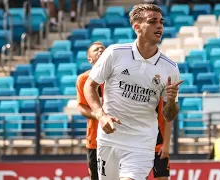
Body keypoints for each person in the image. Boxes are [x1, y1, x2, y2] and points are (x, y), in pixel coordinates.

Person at [84, 3, 183, 180]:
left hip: (142, 142)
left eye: (161, 22)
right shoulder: (115, 53)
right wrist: (101, 115)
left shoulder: (170, 68)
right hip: (109, 138)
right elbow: (89, 86)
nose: (159, 25)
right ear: (136, 27)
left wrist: (172, 100)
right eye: (153, 21)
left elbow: (169, 115)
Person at [76, 41, 106, 180]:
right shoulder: (83, 79)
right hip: (95, 140)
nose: (100, 50)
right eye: (96, 50)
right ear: (89, 59)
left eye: (103, 49)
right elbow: (82, 106)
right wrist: (100, 116)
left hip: (119, 138)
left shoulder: (117, 77)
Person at [153, 98, 171, 180]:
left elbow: (168, 118)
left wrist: (166, 144)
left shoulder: (161, 92)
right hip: (140, 144)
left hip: (159, 144)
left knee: (163, 177)